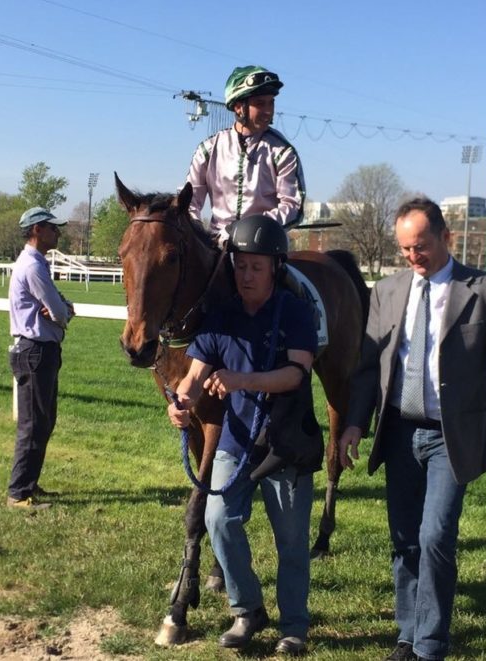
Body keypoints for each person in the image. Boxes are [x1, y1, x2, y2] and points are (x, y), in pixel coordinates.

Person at [338, 198, 486, 661]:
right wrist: (355, 424)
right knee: (404, 539)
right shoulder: (387, 291)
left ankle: (430, 644)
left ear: (446, 238)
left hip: (450, 438)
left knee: (435, 536)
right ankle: (408, 633)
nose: (412, 257)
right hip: (398, 431)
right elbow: (366, 369)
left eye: (420, 246)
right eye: (404, 249)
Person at [166, 214, 319, 656]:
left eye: (256, 266)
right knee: (217, 520)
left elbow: (296, 374)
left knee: (291, 540)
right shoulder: (220, 315)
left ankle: (294, 627)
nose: (247, 274)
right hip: (236, 441)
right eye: (240, 265)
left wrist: (239, 381)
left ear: (275, 267)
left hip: (285, 443)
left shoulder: (295, 311)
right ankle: (247, 609)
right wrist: (182, 401)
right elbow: (194, 374)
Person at [186, 65, 306, 243]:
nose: (268, 111)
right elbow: (189, 202)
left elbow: (293, 206)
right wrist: (198, 234)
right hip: (216, 243)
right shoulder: (208, 149)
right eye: (260, 104)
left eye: (271, 103)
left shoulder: (283, 151)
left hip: (264, 245)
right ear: (238, 108)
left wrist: (250, 228)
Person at [6, 207, 75, 511]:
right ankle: (19, 493)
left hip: (40, 351)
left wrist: (62, 310)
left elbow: (61, 307)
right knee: (34, 425)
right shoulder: (32, 267)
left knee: (44, 422)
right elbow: (60, 311)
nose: (57, 232)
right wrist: (62, 312)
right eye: (52, 228)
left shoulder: (36, 264)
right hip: (35, 352)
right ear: (36, 230)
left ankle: (29, 483)